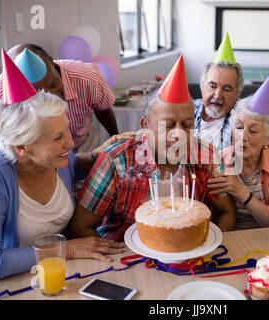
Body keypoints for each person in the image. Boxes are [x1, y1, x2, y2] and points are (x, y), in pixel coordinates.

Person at [0, 51, 125, 280]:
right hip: (10, 285)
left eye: (67, 129)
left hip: (60, 276)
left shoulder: (54, 159)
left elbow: (75, 164)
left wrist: (107, 150)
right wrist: (67, 249)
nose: (70, 143)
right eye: (57, 137)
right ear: (22, 147)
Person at [69, 56, 236, 241]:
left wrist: (207, 243)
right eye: (168, 125)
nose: (178, 134)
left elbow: (227, 212)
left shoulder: (205, 155)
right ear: (145, 125)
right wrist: (117, 256)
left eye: (187, 124)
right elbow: (81, 225)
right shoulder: (116, 161)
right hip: (127, 256)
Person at [0, 43, 119, 189]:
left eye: (53, 84)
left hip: (82, 140)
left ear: (52, 63)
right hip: (33, 155)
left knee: (88, 192)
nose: (52, 96)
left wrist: (115, 138)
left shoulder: (87, 78)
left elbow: (103, 108)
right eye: (39, 94)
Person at [208, 77, 269, 229]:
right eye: (238, 127)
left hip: (268, 236)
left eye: (254, 131)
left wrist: (239, 191)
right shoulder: (218, 161)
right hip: (228, 235)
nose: (243, 137)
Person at [193, 33, 244, 151]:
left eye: (226, 89)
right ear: (202, 87)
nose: (217, 95)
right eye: (212, 86)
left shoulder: (246, 119)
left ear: (237, 93)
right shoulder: (185, 110)